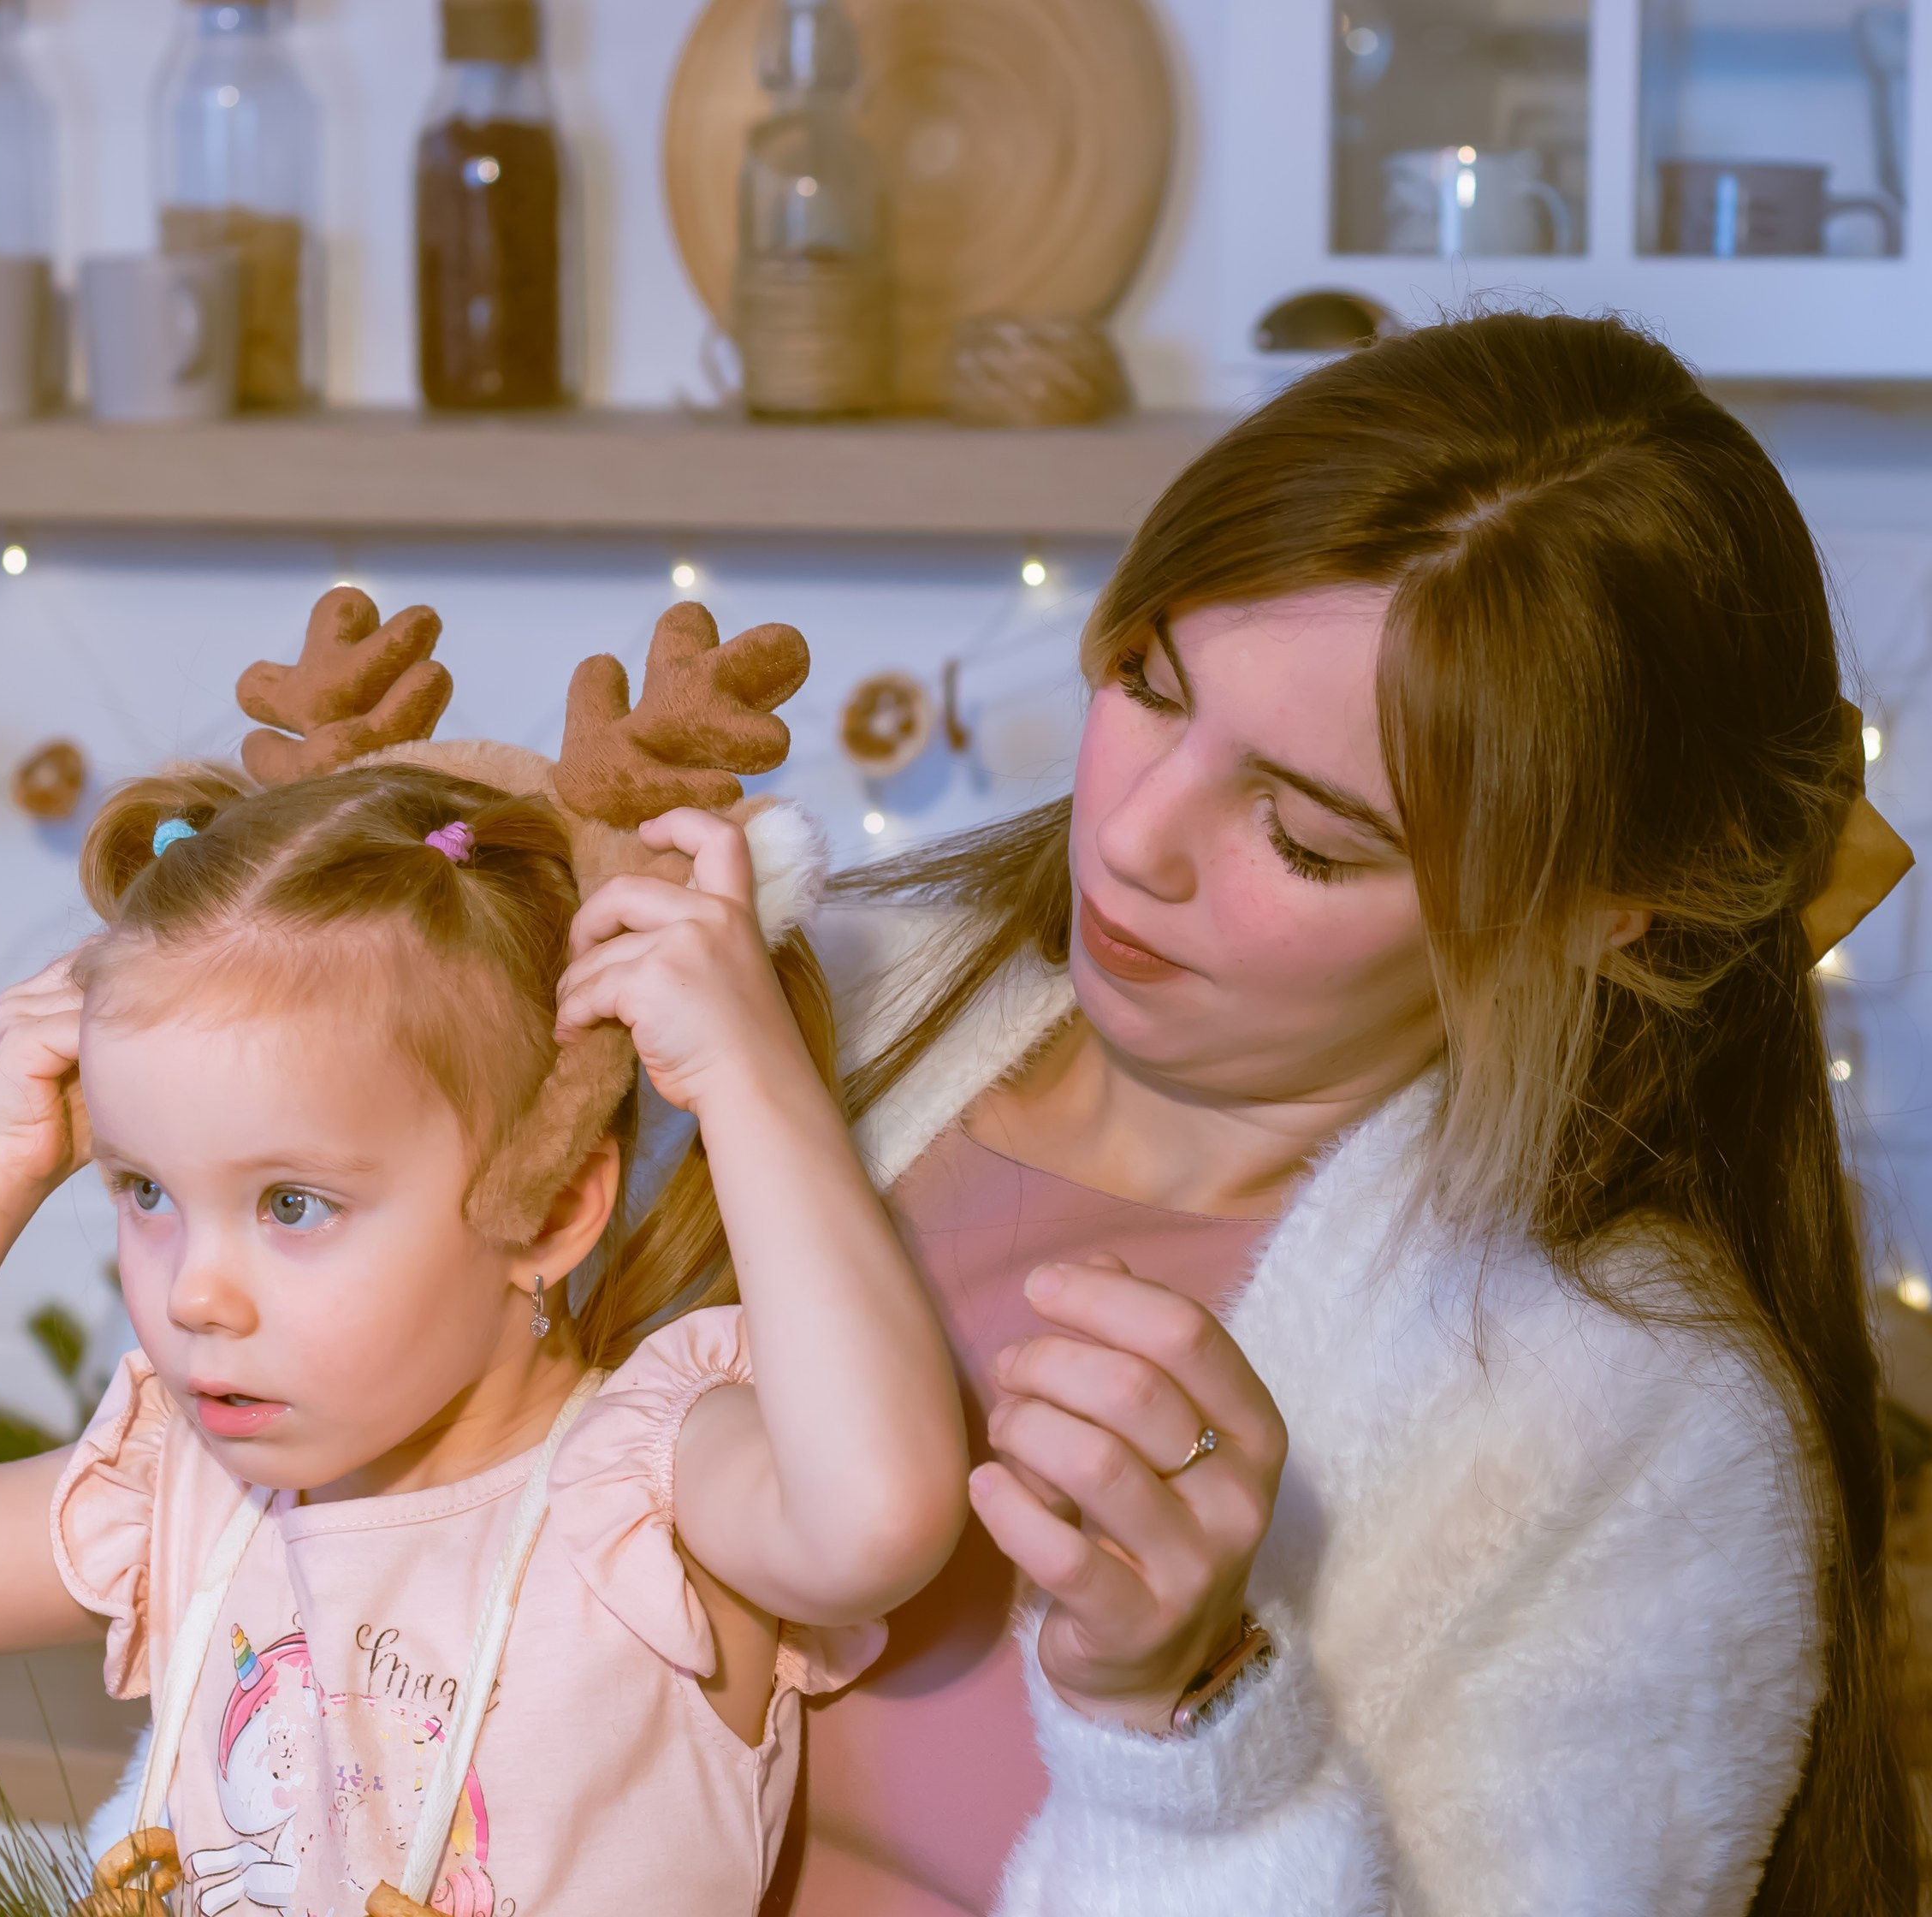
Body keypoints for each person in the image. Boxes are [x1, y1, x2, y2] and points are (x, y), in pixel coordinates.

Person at [745, 312, 1917, 1914]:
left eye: (1307, 835)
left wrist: (1188, 1720)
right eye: (1152, 688)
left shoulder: (1629, 1434)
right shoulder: (800, 1020)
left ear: (1596, 909)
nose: (1137, 837)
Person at [0, 758, 969, 1916]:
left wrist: (748, 1080)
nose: (194, 1297)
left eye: (292, 1206)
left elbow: (878, 1517)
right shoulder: (190, 1493)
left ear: (544, 1212)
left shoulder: (644, 1493)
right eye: (145, 1192)